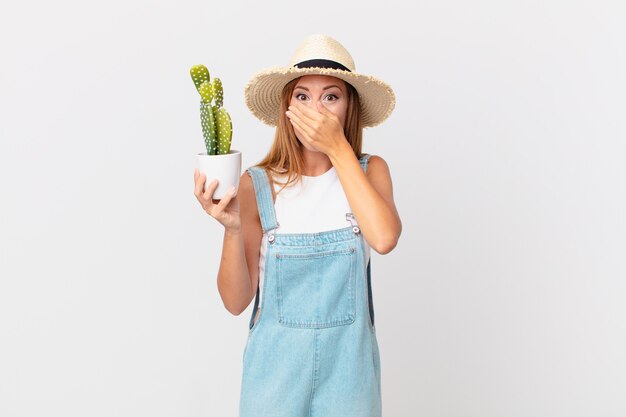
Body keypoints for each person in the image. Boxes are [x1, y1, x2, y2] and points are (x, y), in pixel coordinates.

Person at [193, 34, 401, 417]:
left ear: (349, 109)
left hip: (349, 381)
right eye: (302, 96)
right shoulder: (257, 184)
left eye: (331, 97)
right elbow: (236, 302)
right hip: (273, 382)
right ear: (287, 107)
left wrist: (338, 148)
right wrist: (232, 228)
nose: (315, 109)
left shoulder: (370, 173)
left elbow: (385, 238)